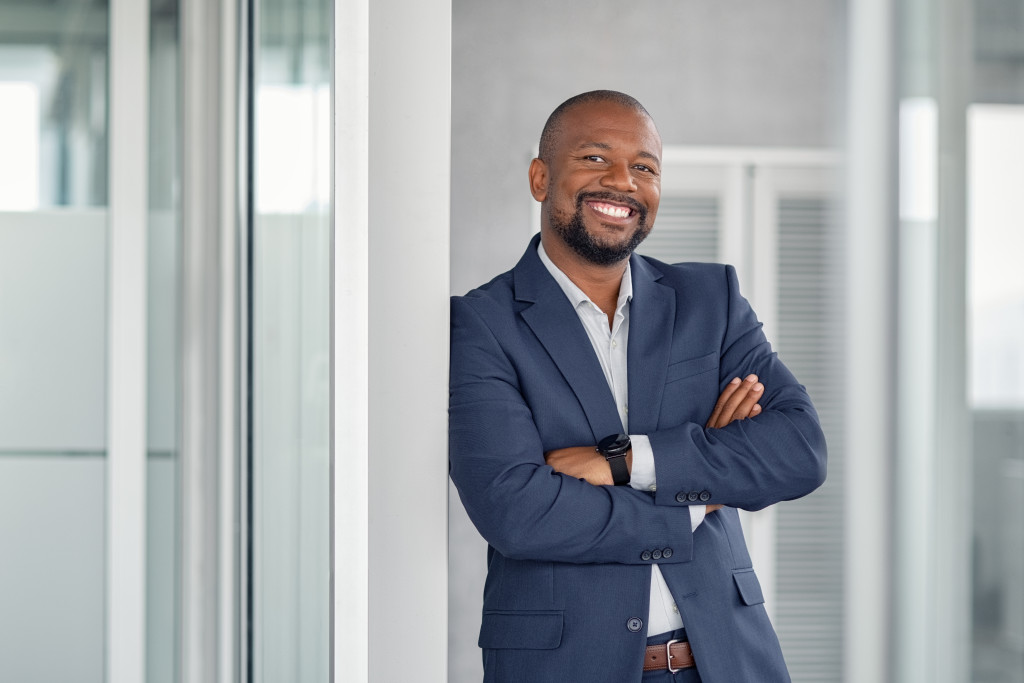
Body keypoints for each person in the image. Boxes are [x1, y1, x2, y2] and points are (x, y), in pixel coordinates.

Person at [448, 90, 827, 682]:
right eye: (595, 159)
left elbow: (799, 451)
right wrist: (699, 490)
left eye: (644, 167)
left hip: (727, 660)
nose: (622, 181)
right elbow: (516, 510)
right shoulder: (481, 324)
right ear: (540, 177)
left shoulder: (711, 302)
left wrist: (627, 463)